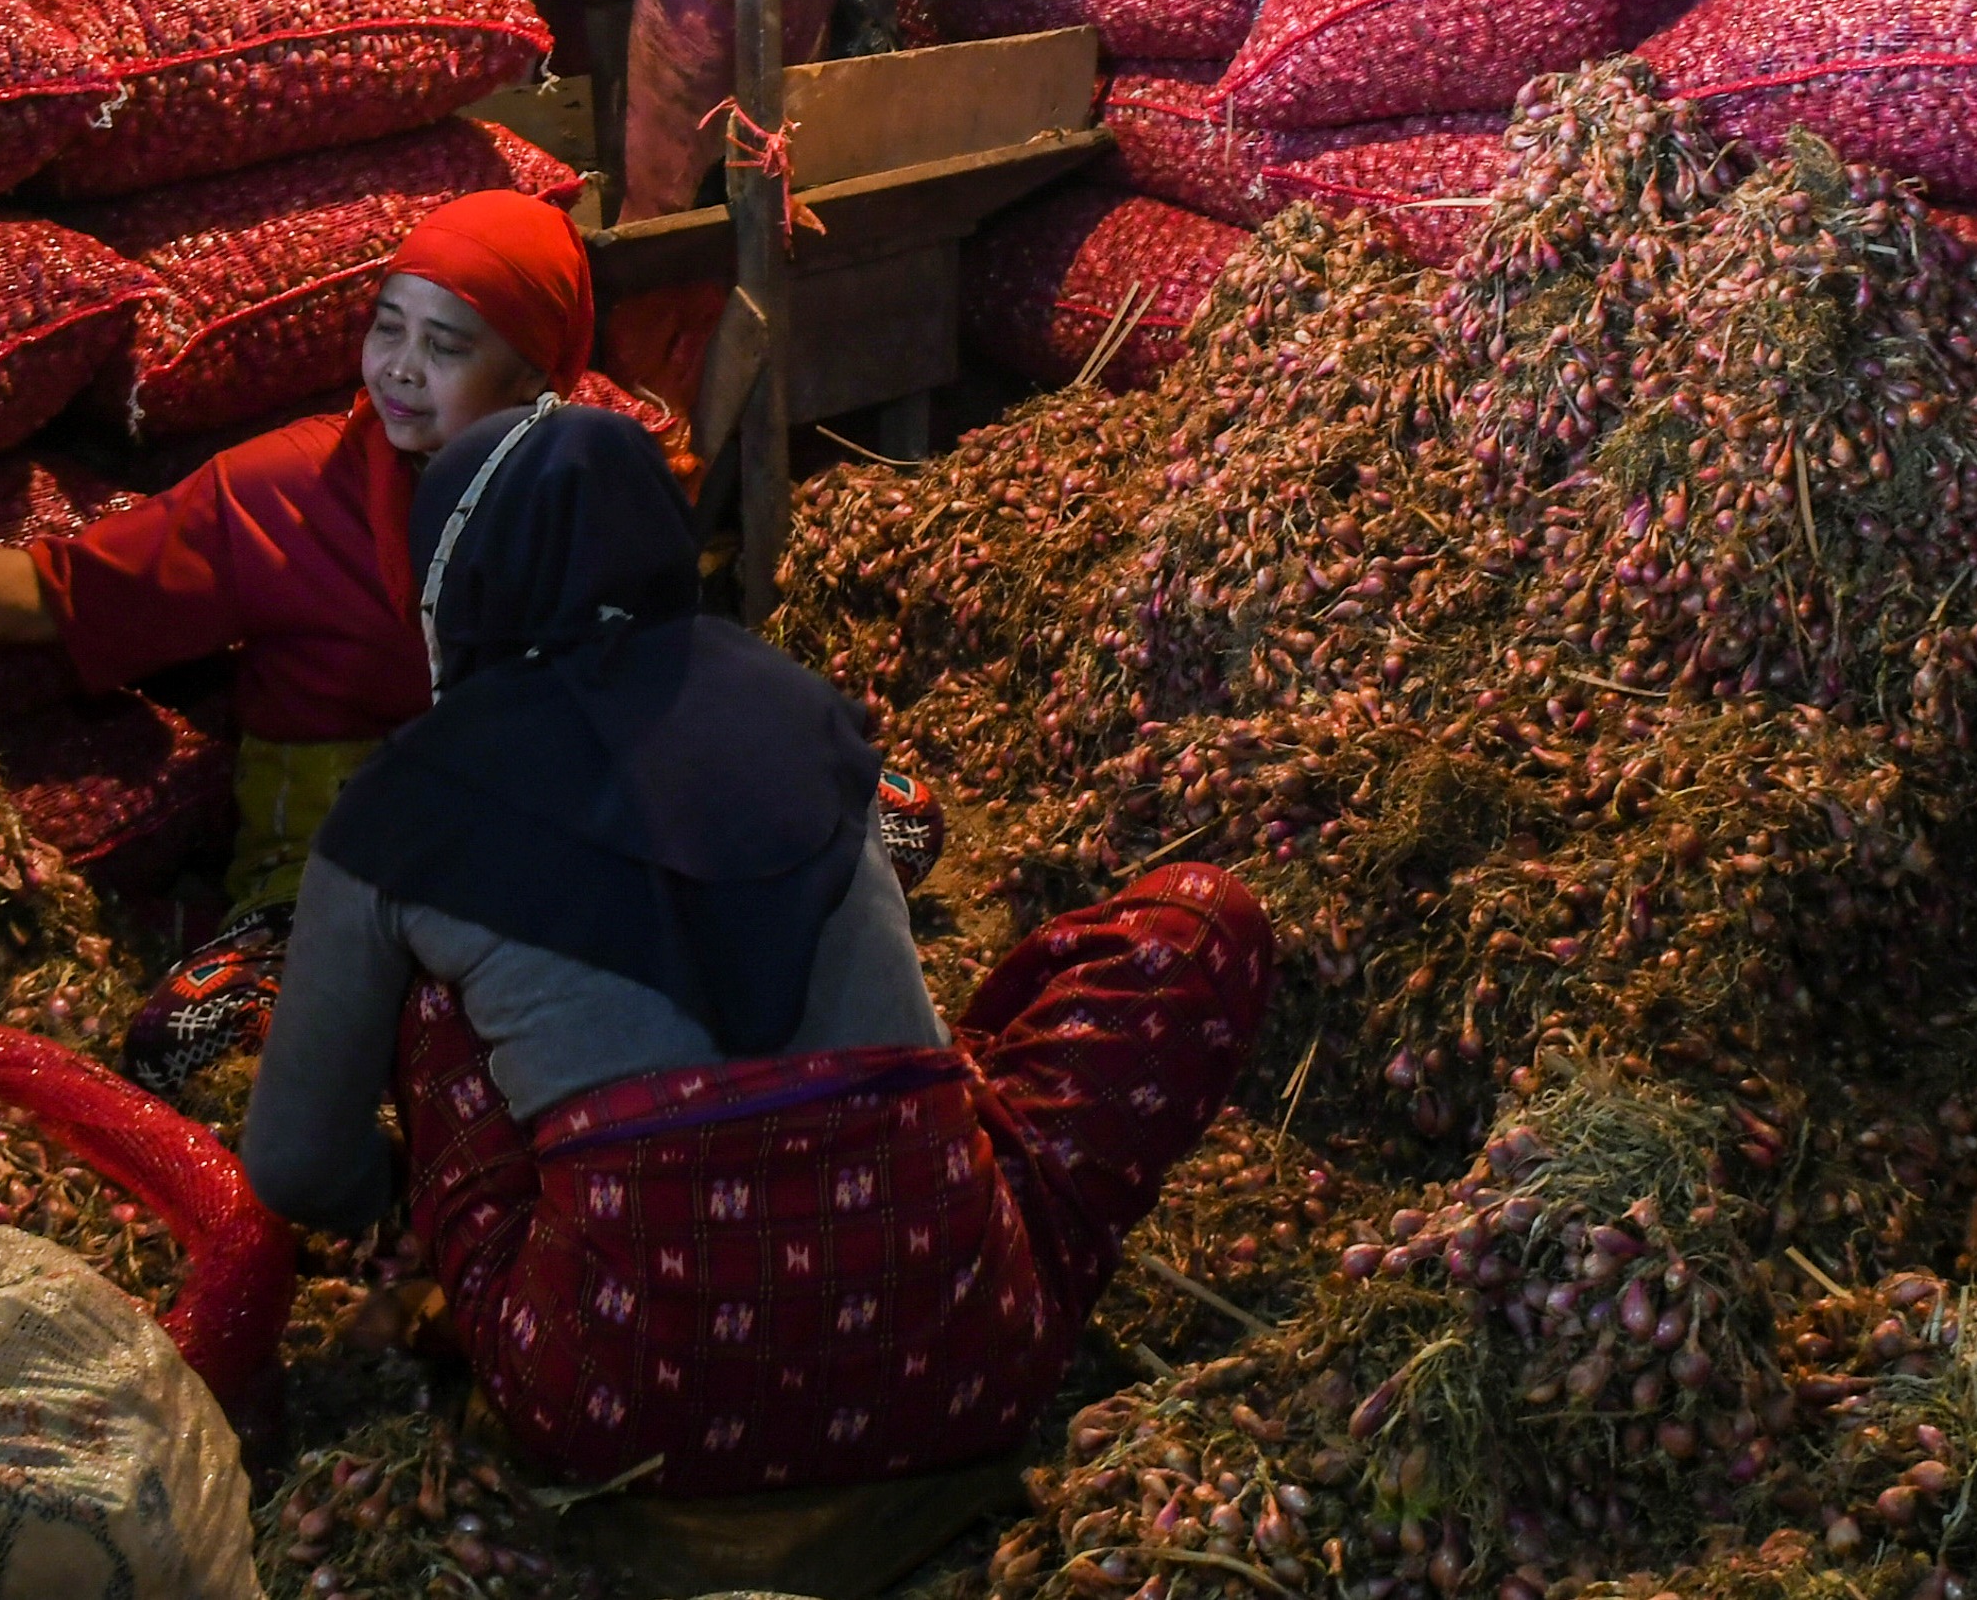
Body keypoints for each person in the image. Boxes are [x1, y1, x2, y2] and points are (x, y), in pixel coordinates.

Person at [241, 398, 1274, 1495]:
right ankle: (941, 1111)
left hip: (618, 1402)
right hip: (964, 1358)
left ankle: (510, 1264)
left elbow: (294, 1163)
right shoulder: (802, 713)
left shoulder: (402, 814)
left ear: (450, 586)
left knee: (434, 994)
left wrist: (399, 1197)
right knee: (1198, 919)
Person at [0, 188, 599, 928]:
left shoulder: (594, 502)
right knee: (202, 1048)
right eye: (387, 327)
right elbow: (56, 593)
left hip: (526, 861)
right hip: (331, 890)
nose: (399, 369)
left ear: (535, 379)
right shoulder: (279, 491)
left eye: (444, 346)